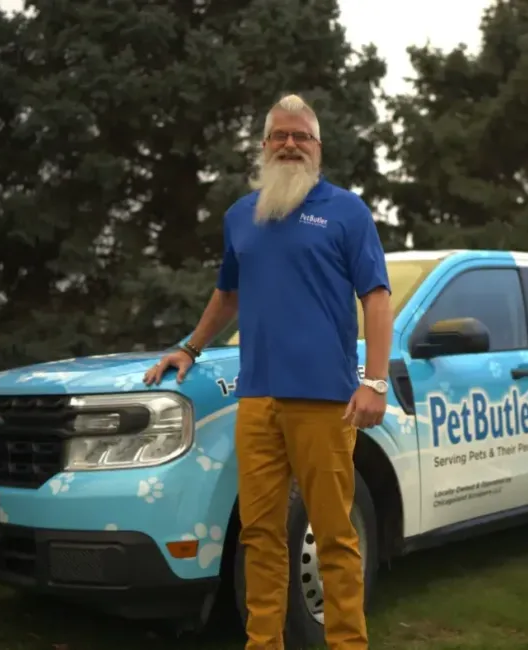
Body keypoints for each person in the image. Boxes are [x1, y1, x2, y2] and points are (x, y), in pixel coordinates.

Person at [143, 93, 392, 650]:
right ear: (263, 146)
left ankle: (348, 644)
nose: (289, 143)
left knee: (334, 535)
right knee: (259, 537)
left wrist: (373, 381)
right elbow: (227, 295)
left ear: (317, 147)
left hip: (326, 401)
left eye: (300, 135)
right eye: (279, 134)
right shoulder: (241, 216)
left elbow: (376, 298)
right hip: (257, 402)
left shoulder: (346, 211)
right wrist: (190, 346)